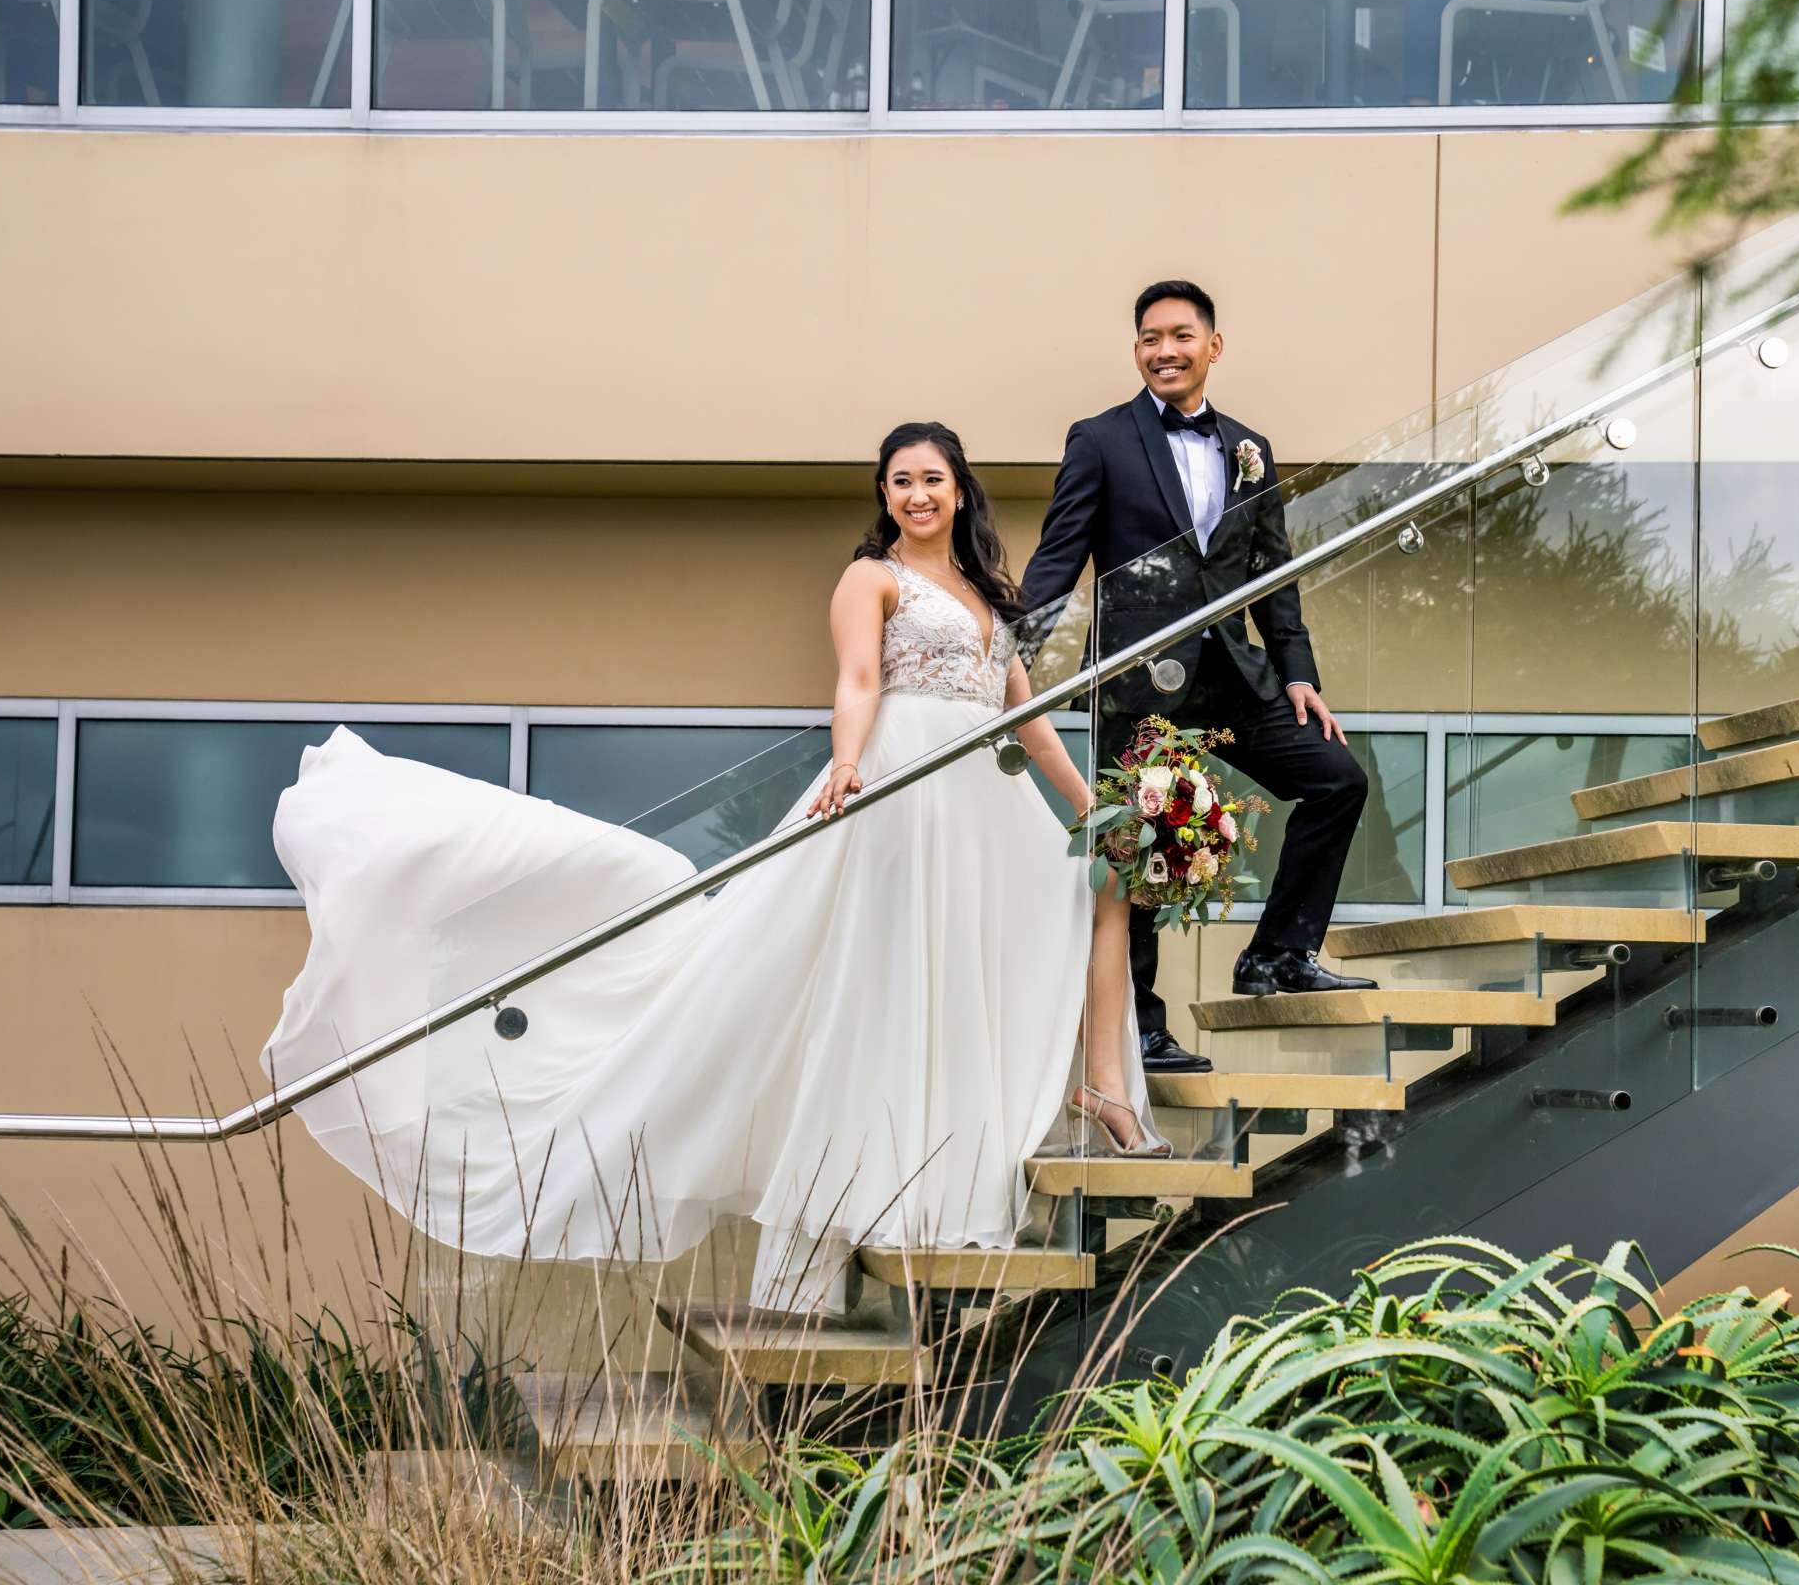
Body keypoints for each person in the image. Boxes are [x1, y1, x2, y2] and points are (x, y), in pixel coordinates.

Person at [259, 422, 1160, 1316]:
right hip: (901, 783)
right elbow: (856, 680)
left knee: (1079, 895)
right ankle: (878, 1199)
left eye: (931, 478)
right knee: (880, 987)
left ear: (960, 488)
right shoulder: (869, 578)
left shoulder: (986, 594)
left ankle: (1083, 1097)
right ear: (883, 496)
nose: (916, 494)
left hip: (981, 804)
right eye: (898, 482)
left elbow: (1025, 713)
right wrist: (849, 761)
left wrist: (1094, 809)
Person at [1019, 279, 1376, 1078]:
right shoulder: (1100, 439)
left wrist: (1298, 672)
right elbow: (1059, 554)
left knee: (1336, 781)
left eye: (1180, 336)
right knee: (1145, 846)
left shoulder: (1251, 447)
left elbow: (1271, 573)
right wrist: (1013, 656)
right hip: (1142, 680)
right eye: (1149, 338)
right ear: (1136, 350)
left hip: (1236, 673)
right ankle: (1140, 1031)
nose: (1164, 351)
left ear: (1214, 345)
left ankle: (1278, 956)